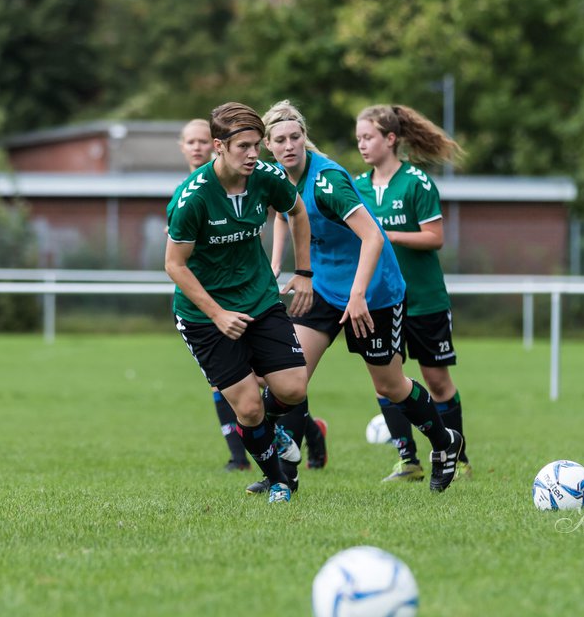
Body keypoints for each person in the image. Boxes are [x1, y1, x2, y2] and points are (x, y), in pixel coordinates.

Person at [262, 99, 465, 493]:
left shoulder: (328, 181)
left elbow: (372, 236)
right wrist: (276, 266)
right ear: (269, 146)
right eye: (280, 140)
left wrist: (357, 296)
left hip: (373, 290)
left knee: (390, 386)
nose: (289, 146)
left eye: (295, 137)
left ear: (305, 138)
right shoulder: (276, 175)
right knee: (290, 380)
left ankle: (446, 443)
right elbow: (284, 213)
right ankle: (285, 473)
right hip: (321, 286)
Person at [165, 103, 315, 504]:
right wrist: (217, 314)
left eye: (256, 146)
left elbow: (297, 212)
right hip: (203, 315)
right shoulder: (191, 198)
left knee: (294, 387)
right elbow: (174, 265)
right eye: (244, 146)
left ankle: (270, 429)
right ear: (219, 146)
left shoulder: (267, 178)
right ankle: (279, 481)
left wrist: (304, 272)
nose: (254, 154)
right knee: (247, 409)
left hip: (260, 298)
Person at [352, 104, 471, 483]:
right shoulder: (356, 186)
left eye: (368, 137)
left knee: (436, 381)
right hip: (382, 300)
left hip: (423, 299)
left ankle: (459, 455)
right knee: (386, 379)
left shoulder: (417, 183)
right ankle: (408, 460)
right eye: (358, 139)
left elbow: (434, 238)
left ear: (391, 139)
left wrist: (385, 235)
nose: (362, 145)